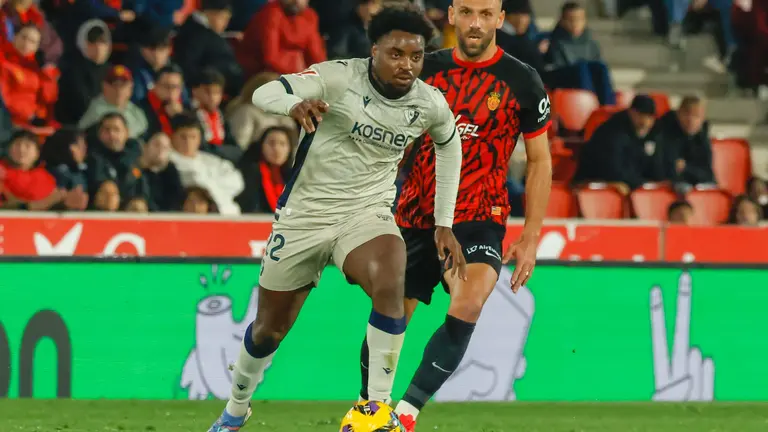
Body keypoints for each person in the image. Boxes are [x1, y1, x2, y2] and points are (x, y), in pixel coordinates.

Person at [208, 4, 466, 431]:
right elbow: (263, 92)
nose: (407, 65)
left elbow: (449, 144)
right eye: (396, 54)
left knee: (391, 273)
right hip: (304, 217)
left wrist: (444, 222)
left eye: (416, 56)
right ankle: (236, 410)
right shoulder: (340, 76)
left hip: (365, 213)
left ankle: (374, 410)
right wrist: (292, 105)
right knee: (268, 331)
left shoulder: (428, 103)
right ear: (374, 51)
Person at [358, 1, 552, 430]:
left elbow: (539, 161)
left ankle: (404, 416)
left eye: (486, 13)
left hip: (479, 214)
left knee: (469, 301)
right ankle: (368, 410)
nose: (476, 23)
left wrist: (531, 235)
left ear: (501, 19)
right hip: (416, 213)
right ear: (450, 15)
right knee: (389, 319)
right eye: (467, 12)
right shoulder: (425, 69)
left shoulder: (523, 81)